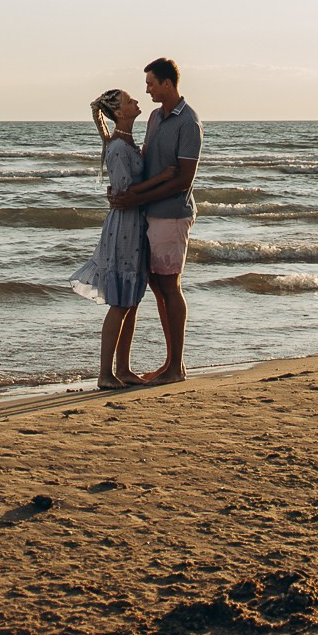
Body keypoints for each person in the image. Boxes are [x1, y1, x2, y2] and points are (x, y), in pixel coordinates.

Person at [69, 88, 173, 389]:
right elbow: (125, 191)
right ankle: (105, 373)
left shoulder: (126, 142)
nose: (136, 101)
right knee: (120, 302)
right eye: (129, 101)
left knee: (131, 302)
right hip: (124, 227)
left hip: (135, 223)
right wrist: (163, 178)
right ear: (118, 112)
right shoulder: (117, 147)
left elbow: (125, 189)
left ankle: (123, 369)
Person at [108, 57, 202, 385]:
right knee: (156, 286)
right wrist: (124, 189)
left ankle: (176, 367)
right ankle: (169, 364)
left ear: (167, 83)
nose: (147, 90)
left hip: (172, 215)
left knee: (169, 286)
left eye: (150, 84)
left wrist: (136, 198)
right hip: (149, 213)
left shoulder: (188, 122)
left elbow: (183, 180)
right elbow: (147, 161)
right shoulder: (155, 117)